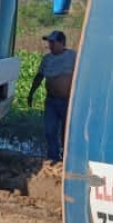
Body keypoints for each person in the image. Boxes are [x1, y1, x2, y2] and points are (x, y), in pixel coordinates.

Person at [29, 29, 76, 164]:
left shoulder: (72, 56)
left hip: (67, 101)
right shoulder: (47, 59)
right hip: (51, 102)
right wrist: (31, 93)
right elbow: (39, 77)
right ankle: (53, 158)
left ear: (62, 43)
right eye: (49, 42)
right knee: (50, 131)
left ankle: (66, 160)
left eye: (53, 42)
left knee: (65, 133)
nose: (50, 45)